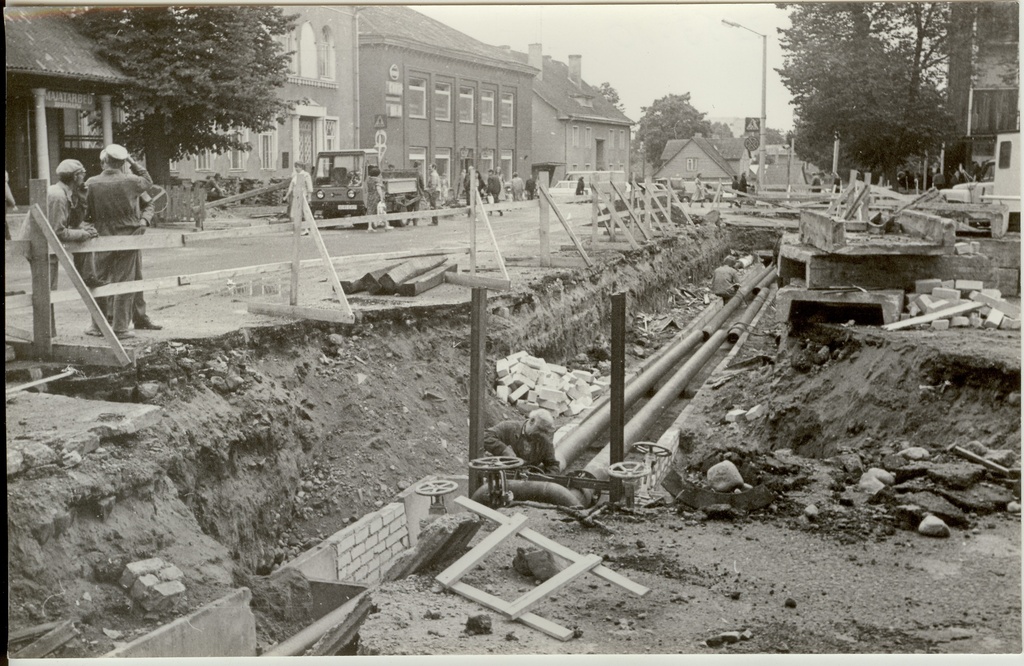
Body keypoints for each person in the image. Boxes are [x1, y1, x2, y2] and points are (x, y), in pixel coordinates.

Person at [84, 144, 153, 338]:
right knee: (125, 282)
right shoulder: (132, 181)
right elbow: (148, 180)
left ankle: (97, 326)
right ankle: (121, 328)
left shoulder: (91, 182)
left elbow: (85, 211)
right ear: (123, 162)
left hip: (102, 236)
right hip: (128, 238)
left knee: (99, 281)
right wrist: (132, 162)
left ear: (103, 161)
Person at [46, 160, 100, 318]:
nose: (84, 176)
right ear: (76, 176)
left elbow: (73, 223)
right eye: (82, 173)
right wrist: (83, 234)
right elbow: (58, 231)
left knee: (49, 291)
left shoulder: (64, 192)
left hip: (49, 245)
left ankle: (49, 335)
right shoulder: (57, 196)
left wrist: (82, 197)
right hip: (42, 247)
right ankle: (45, 338)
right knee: (47, 291)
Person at [482, 408, 559, 473]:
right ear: (532, 421)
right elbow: (485, 436)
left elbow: (552, 464)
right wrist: (504, 450)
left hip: (528, 483)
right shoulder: (508, 428)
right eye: (540, 429)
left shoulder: (545, 441)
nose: (542, 434)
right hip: (503, 476)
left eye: (545, 432)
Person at [365, 165, 387, 232]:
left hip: (369, 196)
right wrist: (381, 197)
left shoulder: (368, 180)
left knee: (370, 211)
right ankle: (386, 225)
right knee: (381, 209)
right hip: (375, 196)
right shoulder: (377, 180)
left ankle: (369, 227)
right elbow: (378, 188)